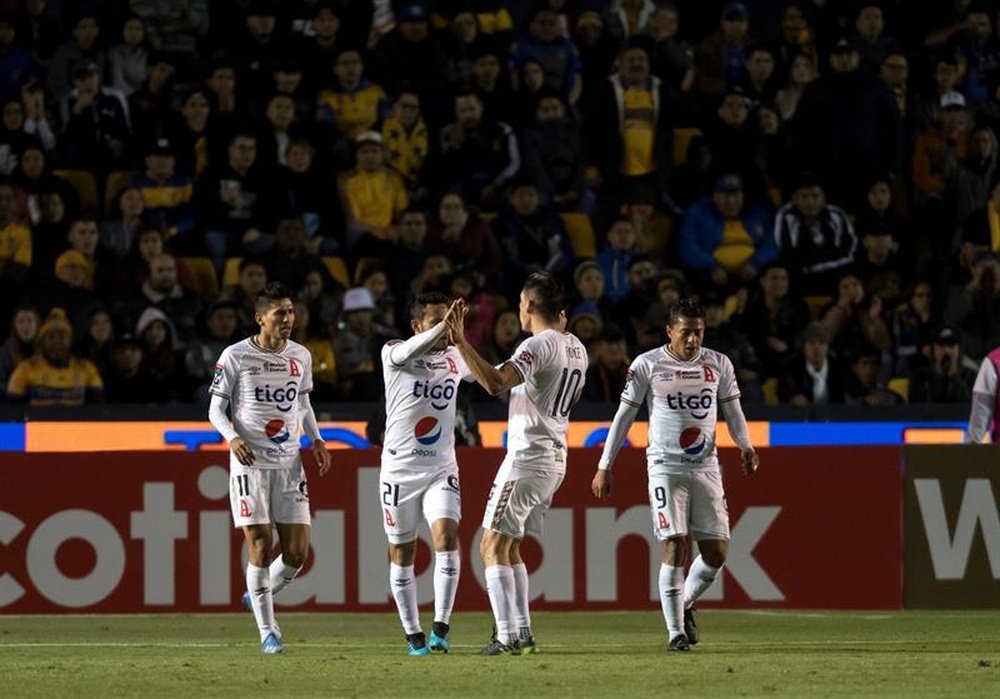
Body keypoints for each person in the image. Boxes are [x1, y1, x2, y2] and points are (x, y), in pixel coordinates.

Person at [591, 298, 759, 651]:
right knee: (675, 543)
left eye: (699, 332)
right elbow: (624, 417)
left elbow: (733, 411)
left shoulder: (719, 364)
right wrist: (605, 465)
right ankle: (675, 633)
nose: (694, 340)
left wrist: (745, 445)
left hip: (706, 466)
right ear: (670, 331)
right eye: (686, 332)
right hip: (665, 466)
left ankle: (683, 603)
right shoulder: (648, 365)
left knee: (717, 553)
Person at [444, 271, 588, 655]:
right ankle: (521, 632)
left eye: (521, 303)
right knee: (509, 547)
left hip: (528, 457)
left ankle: (506, 637)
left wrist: (460, 342)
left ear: (528, 306)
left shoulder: (536, 346)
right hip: (555, 456)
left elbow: (495, 383)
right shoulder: (576, 347)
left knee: (490, 546)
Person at [207, 282, 332, 655]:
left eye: (291, 311)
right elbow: (215, 409)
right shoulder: (235, 356)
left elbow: (302, 404)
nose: (288, 319)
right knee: (259, 545)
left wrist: (318, 439)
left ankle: (257, 593)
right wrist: (232, 437)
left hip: (290, 464)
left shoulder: (301, 356)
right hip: (251, 464)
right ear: (260, 317)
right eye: (280, 313)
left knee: (296, 554)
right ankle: (268, 632)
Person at [379, 292, 469, 656]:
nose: (444, 330)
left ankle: (441, 627)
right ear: (417, 326)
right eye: (436, 322)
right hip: (399, 470)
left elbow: (489, 377)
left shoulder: (454, 358)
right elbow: (406, 350)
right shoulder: (394, 353)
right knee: (402, 552)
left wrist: (464, 343)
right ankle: (412, 633)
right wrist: (447, 329)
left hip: (440, 467)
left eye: (448, 321)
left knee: (446, 538)